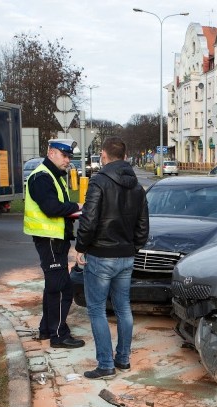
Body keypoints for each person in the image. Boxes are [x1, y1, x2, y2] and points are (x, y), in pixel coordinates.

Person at [76, 137, 149, 379]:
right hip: (126, 256)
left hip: (101, 255)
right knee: (123, 308)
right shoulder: (137, 186)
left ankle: (106, 365)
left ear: (103, 155)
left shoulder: (98, 181)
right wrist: (133, 248)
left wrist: (80, 247)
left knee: (97, 310)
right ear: (125, 157)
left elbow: (89, 219)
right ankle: (123, 359)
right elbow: (143, 225)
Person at [24, 139, 86, 349]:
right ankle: (59, 335)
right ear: (51, 153)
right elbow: (51, 208)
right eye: (64, 155)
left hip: (54, 239)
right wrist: (77, 206)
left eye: (69, 156)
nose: (68, 161)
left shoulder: (53, 175)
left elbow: (57, 207)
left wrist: (72, 210)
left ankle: (46, 329)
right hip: (49, 239)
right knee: (61, 288)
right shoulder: (42, 177)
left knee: (53, 286)